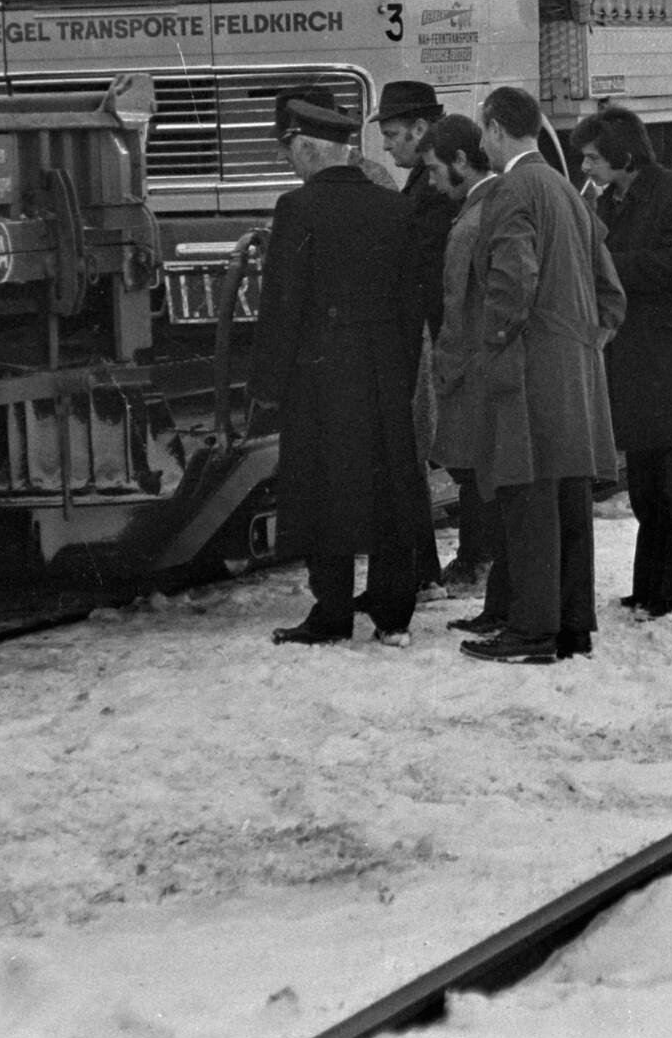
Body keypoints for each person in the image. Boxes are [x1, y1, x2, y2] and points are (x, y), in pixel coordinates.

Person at [433, 85, 626, 665]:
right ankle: (572, 628)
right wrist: (583, 344)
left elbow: (511, 281)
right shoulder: (567, 189)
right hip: (573, 373)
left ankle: (531, 633)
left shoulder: (513, 189)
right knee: (568, 505)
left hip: (526, 374)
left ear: (493, 129)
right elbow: (610, 292)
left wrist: (494, 347)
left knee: (528, 504)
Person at [247, 89, 428, 648]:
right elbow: (411, 300)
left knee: (325, 487)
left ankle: (331, 612)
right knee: (391, 485)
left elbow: (283, 304)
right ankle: (394, 613)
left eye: (289, 150)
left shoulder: (296, 209)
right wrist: (399, 367)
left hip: (320, 371)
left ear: (305, 148)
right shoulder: (396, 208)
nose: (288, 161)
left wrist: (268, 386)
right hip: (382, 368)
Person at [575, 106, 672, 618]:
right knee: (645, 489)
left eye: (592, 157)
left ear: (622, 154)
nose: (586, 167)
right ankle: (647, 586)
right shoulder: (612, 201)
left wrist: (608, 269)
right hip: (637, 362)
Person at [378, 79, 494, 591]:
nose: (387, 145)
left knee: (468, 456)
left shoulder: (440, 193)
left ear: (422, 131)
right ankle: (475, 556)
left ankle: (478, 557)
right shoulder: (422, 186)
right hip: (440, 339)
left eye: (394, 133)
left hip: (448, 341)